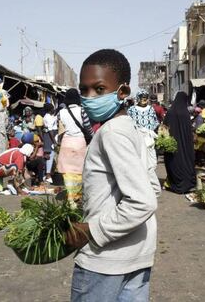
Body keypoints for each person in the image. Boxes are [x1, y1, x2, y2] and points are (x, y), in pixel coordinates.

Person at [66, 49, 160, 302]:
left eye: (98, 89)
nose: (89, 98)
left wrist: (91, 229)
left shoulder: (111, 133)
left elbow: (143, 201)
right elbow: (153, 186)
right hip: (136, 256)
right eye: (83, 90)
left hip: (105, 260)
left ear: (122, 92)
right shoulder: (132, 128)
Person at [57, 88, 93, 203]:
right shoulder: (82, 111)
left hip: (66, 143)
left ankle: (70, 196)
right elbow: (88, 128)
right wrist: (92, 137)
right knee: (79, 171)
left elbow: (60, 130)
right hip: (79, 143)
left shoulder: (61, 112)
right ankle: (76, 197)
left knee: (68, 172)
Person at [163, 92, 196, 194]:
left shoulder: (170, 112)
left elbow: (164, 127)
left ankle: (175, 184)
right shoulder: (185, 113)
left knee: (173, 161)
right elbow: (189, 130)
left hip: (172, 144)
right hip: (185, 145)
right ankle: (187, 184)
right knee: (186, 160)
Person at [42, 103, 58, 183]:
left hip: (52, 136)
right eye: (53, 108)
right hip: (49, 137)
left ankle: (47, 174)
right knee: (49, 156)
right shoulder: (47, 117)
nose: (54, 109)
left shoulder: (51, 116)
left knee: (51, 156)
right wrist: (54, 142)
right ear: (50, 109)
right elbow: (50, 130)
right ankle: (48, 175)